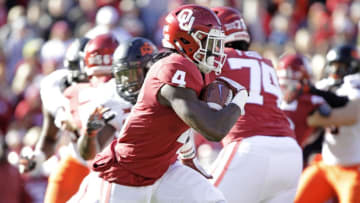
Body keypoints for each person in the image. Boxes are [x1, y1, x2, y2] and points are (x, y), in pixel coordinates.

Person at [68, 4, 248, 203]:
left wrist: (189, 158)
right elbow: (213, 129)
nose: (215, 50)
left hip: (164, 168)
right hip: (127, 172)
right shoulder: (173, 66)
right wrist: (238, 101)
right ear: (186, 40)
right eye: (208, 41)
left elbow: (181, 122)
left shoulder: (196, 69)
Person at [207, 6, 302, 203]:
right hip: (290, 153)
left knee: (201, 198)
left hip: (250, 149)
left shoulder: (217, 59)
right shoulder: (266, 62)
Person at [294, 44, 360, 203]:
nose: (336, 72)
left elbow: (352, 115)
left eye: (341, 66)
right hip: (326, 165)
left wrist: (314, 119)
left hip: (354, 168)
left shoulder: (353, 85)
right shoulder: (325, 85)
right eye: (333, 66)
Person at [77, 37, 159, 160]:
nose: (126, 81)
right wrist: (89, 134)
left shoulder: (168, 90)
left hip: (172, 163)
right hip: (131, 164)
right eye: (122, 75)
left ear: (149, 70)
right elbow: (88, 155)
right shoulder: (110, 96)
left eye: (130, 74)